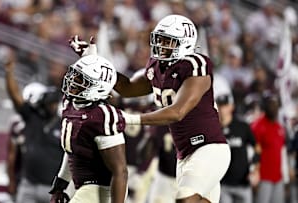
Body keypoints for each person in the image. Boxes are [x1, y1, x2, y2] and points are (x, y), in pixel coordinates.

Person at [70, 14, 231, 203]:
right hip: (184, 154)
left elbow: (177, 112)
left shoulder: (195, 66)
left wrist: (129, 118)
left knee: (184, 199)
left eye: (168, 41)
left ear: (185, 43)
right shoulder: (158, 67)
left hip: (208, 148)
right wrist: (94, 61)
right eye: (159, 39)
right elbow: (127, 88)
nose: (161, 45)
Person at [49, 55, 128, 203]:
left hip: (100, 190)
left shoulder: (102, 116)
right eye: (74, 75)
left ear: (98, 87)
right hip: (81, 186)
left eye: (80, 79)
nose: (72, 81)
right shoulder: (70, 105)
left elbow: (120, 171)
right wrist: (60, 185)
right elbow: (72, 151)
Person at [5, 56, 65, 203]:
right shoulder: (33, 118)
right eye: (49, 103)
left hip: (54, 188)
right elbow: (15, 96)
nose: (51, 106)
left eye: (53, 103)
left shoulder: (64, 124)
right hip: (29, 185)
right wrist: (9, 72)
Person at [215, 93, 260, 203]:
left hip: (243, 183)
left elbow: (257, 147)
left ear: (231, 106)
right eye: (219, 105)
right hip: (223, 184)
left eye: (225, 105)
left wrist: (256, 170)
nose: (222, 109)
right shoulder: (213, 129)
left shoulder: (242, 126)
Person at [250, 92, 287, 203]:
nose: (273, 107)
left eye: (275, 104)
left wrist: (285, 176)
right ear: (265, 106)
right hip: (263, 176)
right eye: (271, 104)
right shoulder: (257, 125)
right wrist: (253, 172)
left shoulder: (279, 127)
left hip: (278, 177)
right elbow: (252, 150)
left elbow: (281, 151)